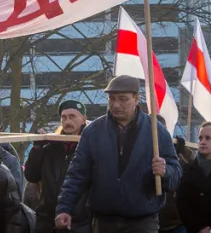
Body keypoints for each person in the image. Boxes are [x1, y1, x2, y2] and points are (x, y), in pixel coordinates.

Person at [56, 75, 181, 233]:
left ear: (136, 99)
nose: (116, 105)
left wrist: (165, 172)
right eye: (112, 99)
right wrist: (64, 208)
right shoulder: (93, 132)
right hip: (103, 221)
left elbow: (176, 175)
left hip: (142, 221)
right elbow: (76, 175)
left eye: (123, 99)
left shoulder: (157, 132)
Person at [24, 99, 90, 233]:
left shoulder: (90, 147)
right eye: (64, 117)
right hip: (47, 220)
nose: (67, 121)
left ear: (83, 119)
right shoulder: (50, 146)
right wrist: (37, 148)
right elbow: (31, 176)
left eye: (72, 116)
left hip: (79, 221)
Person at [158, 129, 192, 233]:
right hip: (153, 221)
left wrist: (180, 154)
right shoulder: (143, 149)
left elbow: (194, 174)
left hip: (177, 222)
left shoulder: (181, 151)